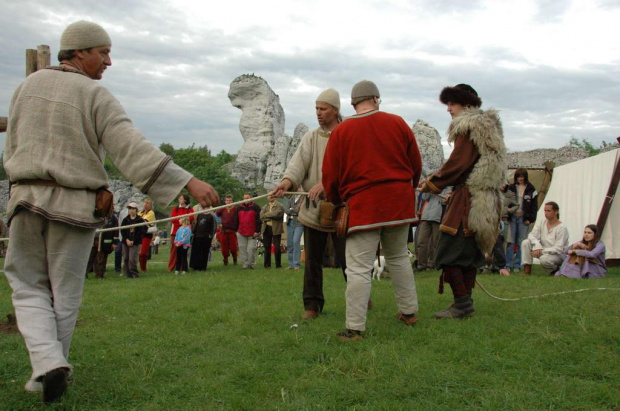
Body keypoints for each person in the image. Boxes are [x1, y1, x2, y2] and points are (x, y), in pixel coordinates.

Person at [2, 21, 219, 404]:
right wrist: (189, 182)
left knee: (27, 284)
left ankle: (46, 366)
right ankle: (53, 366)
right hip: (72, 203)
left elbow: (13, 147)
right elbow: (130, 146)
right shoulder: (93, 93)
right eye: (103, 52)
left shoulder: (25, 88)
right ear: (80, 51)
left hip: (24, 199)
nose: (109, 61)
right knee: (65, 292)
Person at [322, 80, 422, 340]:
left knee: (358, 267)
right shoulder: (398, 122)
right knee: (399, 256)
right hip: (398, 203)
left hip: (364, 205)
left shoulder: (342, 132)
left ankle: (355, 327)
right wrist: (407, 189)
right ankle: (409, 312)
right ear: (376, 99)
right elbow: (415, 164)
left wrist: (337, 201)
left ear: (354, 103)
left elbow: (330, 176)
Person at [420, 83, 506, 319]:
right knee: (467, 253)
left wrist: (432, 182)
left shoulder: (468, 126)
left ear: (466, 104)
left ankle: (462, 303)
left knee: (450, 252)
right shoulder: (487, 125)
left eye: (452, 103)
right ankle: (465, 303)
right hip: (482, 196)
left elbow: (458, 164)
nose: (448, 109)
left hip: (469, 198)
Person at [273, 88, 348, 320]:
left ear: (335, 110)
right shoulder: (311, 137)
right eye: (316, 108)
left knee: (349, 259)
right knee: (312, 260)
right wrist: (285, 183)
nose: (318, 113)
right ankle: (312, 305)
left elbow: (351, 168)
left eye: (323, 108)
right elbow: (298, 165)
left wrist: (327, 184)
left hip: (343, 207)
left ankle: (360, 298)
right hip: (313, 208)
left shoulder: (347, 134)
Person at [521, 201, 569, 275]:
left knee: (544, 259)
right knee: (526, 242)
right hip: (543, 250)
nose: (546, 213)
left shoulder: (562, 228)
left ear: (556, 212)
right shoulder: (542, 222)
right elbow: (531, 235)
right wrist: (537, 245)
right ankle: (527, 270)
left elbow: (558, 248)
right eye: (545, 211)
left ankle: (555, 271)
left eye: (548, 211)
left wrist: (541, 251)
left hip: (558, 255)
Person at [505, 168, 538, 272]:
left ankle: (517, 265)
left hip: (524, 218)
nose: (520, 178)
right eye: (518, 176)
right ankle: (508, 264)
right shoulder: (511, 187)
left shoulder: (531, 189)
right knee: (510, 242)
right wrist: (507, 215)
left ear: (525, 177)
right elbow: (505, 201)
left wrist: (530, 219)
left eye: (522, 176)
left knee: (521, 242)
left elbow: (534, 206)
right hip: (512, 217)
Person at [415, 188, 449, 271]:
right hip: (426, 216)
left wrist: (438, 190)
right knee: (421, 242)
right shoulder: (432, 186)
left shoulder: (448, 187)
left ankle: (431, 264)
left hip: (438, 217)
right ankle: (421, 264)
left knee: (435, 243)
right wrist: (429, 188)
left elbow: (443, 201)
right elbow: (425, 197)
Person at [86, 213, 119, 279]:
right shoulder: (96, 215)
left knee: (102, 259)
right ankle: (85, 273)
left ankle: (100, 275)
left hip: (105, 242)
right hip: (94, 239)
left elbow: (116, 231)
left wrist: (114, 242)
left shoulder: (113, 218)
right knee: (90, 257)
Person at [167, 194, 193, 271]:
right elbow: (173, 219)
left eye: (181, 198)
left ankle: (182, 267)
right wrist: (183, 220)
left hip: (185, 233)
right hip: (175, 233)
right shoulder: (176, 209)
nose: (179, 200)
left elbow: (191, 218)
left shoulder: (189, 209)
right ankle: (171, 267)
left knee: (183, 251)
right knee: (174, 250)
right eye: (179, 198)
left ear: (185, 200)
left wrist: (181, 220)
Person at [121, 202, 147, 279]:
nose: (131, 210)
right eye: (130, 209)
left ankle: (134, 274)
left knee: (132, 259)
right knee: (125, 258)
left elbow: (143, 231)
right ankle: (128, 274)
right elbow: (122, 230)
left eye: (133, 209)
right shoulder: (125, 220)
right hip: (126, 241)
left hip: (135, 242)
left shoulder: (140, 220)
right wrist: (127, 239)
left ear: (136, 210)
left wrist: (134, 240)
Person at [236, 193, 261, 269]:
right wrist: (236, 230)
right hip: (241, 232)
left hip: (252, 233)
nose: (246, 200)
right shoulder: (239, 207)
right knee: (242, 248)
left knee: (251, 249)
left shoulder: (256, 207)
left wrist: (257, 231)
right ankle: (245, 264)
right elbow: (236, 220)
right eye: (244, 198)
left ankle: (252, 264)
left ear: (251, 198)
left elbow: (259, 220)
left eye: (247, 198)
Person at [260, 195, 285, 268]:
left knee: (277, 247)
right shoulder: (265, 206)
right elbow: (261, 217)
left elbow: (277, 215)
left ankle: (278, 265)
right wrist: (271, 215)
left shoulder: (280, 206)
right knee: (267, 247)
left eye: (272, 195)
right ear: (267, 197)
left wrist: (267, 215)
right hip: (266, 228)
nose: (271, 196)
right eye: (269, 195)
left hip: (276, 228)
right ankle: (267, 265)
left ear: (275, 196)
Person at [189, 206, 216, 271]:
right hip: (198, 236)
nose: (205, 209)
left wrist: (210, 236)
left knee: (205, 252)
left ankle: (203, 267)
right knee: (197, 252)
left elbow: (212, 227)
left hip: (206, 237)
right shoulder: (200, 215)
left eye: (207, 208)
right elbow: (197, 225)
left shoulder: (210, 216)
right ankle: (196, 267)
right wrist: (194, 233)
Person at [215, 194, 239, 265]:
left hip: (232, 231)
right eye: (227, 200)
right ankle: (225, 260)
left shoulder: (235, 209)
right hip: (223, 231)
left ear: (232, 201)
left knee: (233, 248)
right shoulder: (223, 208)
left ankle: (235, 259)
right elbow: (217, 213)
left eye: (230, 200)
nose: (229, 202)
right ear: (225, 201)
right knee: (224, 248)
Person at [284, 195, 304, 270]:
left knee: (296, 242)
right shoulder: (290, 198)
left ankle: (296, 264)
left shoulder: (303, 198)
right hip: (290, 222)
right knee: (289, 244)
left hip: (299, 223)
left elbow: (300, 211)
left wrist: (291, 210)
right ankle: (291, 264)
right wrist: (293, 210)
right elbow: (286, 210)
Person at [138, 198, 156, 272]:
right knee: (139, 253)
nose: (145, 204)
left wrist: (139, 219)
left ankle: (143, 268)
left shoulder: (151, 213)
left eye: (148, 203)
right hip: (139, 234)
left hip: (146, 234)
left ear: (150, 205)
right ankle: (141, 268)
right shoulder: (140, 212)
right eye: (145, 202)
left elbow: (144, 221)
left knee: (143, 253)